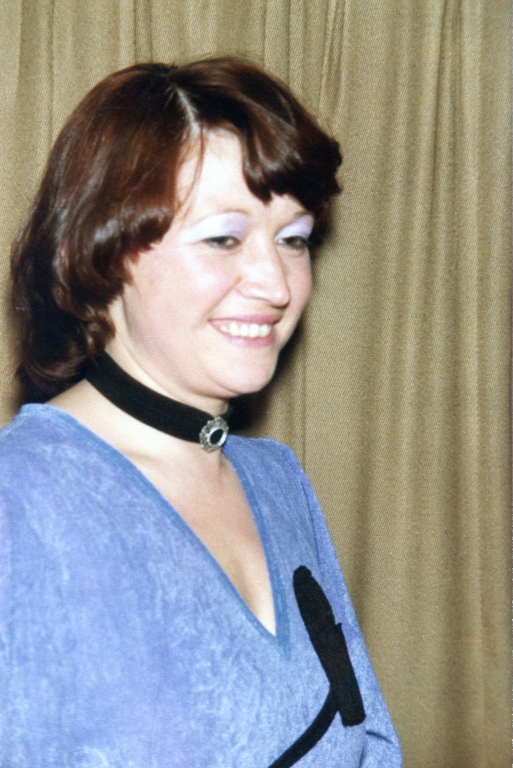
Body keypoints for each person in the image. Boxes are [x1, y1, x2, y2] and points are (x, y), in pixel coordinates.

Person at [0, 57, 402, 767]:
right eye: (223, 238)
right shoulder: (21, 504)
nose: (276, 284)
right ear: (95, 252)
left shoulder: (277, 481)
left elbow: (366, 743)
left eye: (293, 238)